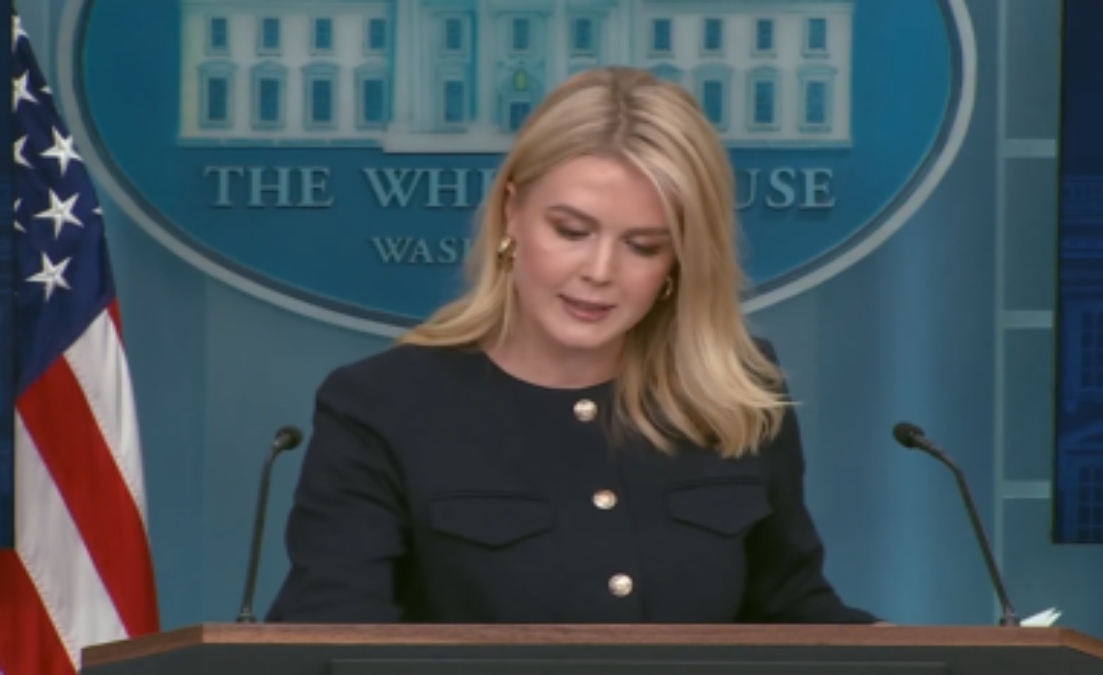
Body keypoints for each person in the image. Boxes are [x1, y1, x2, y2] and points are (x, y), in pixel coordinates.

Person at [266, 66, 878, 624]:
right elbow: (330, 635)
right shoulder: (383, 406)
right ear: (512, 213)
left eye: (642, 245)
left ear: (679, 261)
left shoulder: (739, 392)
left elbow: (791, 609)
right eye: (572, 231)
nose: (600, 270)